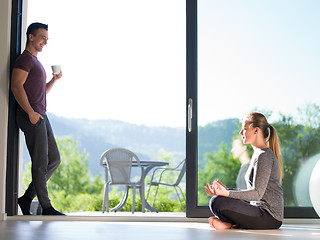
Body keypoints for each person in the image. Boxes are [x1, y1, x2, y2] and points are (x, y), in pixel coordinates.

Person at [11, 22, 65, 215]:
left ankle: (26, 199)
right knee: (41, 162)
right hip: (31, 116)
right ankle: (46, 206)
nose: (45, 41)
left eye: (47, 38)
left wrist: (54, 80)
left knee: (54, 160)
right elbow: (16, 86)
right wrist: (30, 113)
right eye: (42, 37)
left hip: (41, 115)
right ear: (30, 37)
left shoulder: (35, 62)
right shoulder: (24, 60)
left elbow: (40, 92)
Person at [204, 112, 283, 230]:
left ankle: (230, 224)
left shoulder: (264, 156)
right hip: (259, 212)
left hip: (270, 217)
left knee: (217, 202)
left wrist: (227, 194)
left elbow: (256, 194)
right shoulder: (257, 154)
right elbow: (251, 194)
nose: (241, 133)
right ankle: (231, 224)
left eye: (244, 129)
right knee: (217, 199)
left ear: (256, 131)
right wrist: (226, 191)